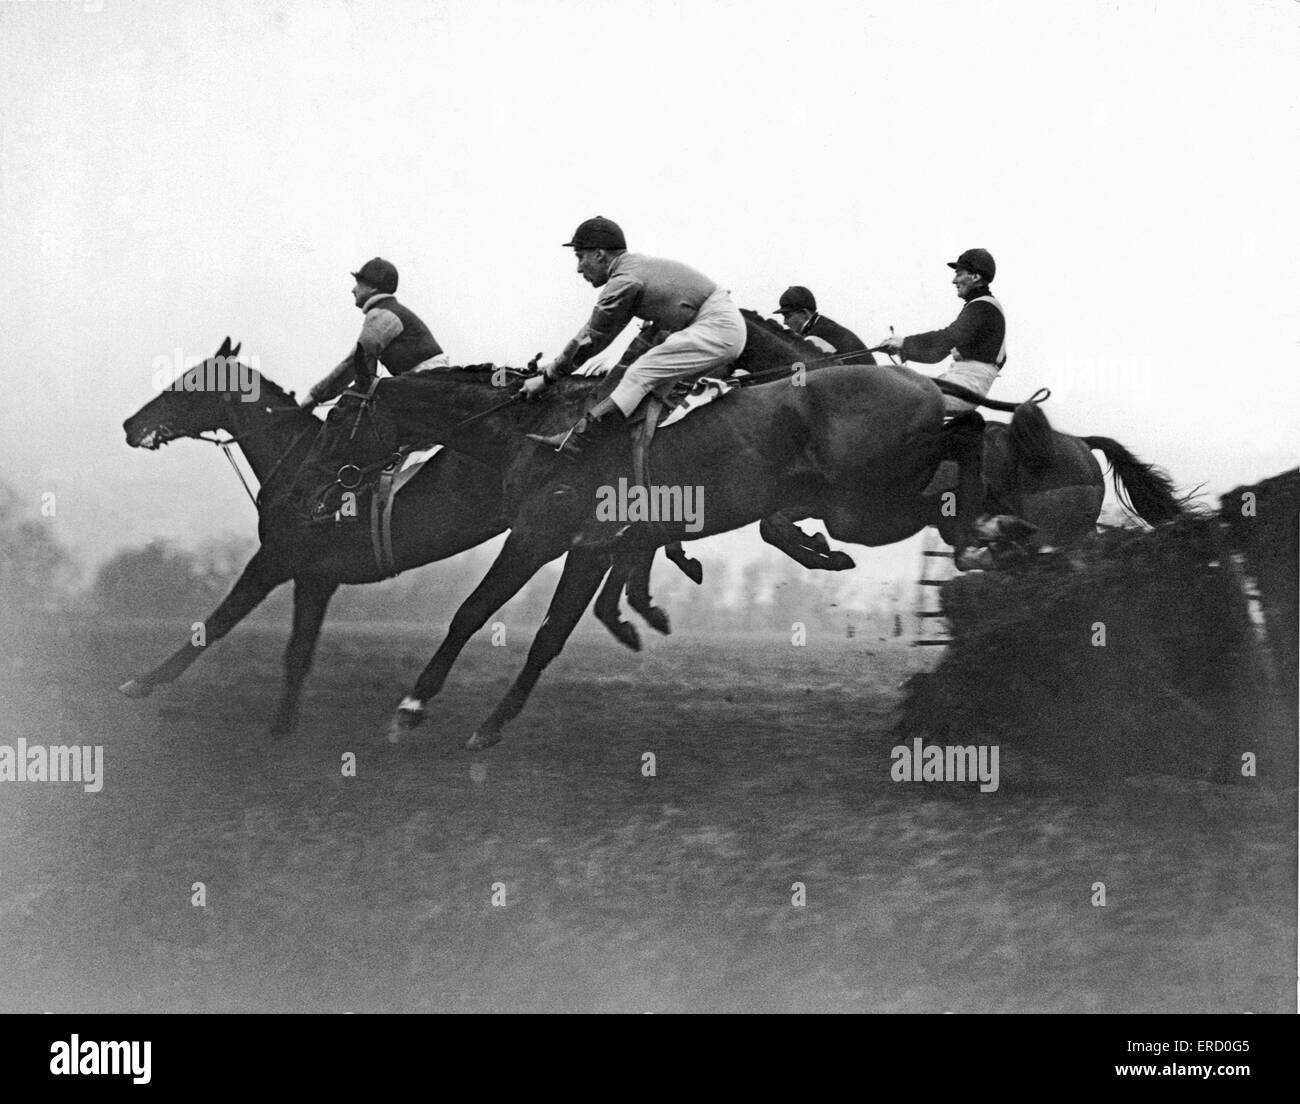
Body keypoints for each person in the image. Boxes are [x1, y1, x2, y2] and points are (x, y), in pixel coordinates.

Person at [522, 217, 747, 457]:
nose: (578, 268)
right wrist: (554, 367)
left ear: (599, 254)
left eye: (580, 257)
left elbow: (592, 338)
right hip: (717, 324)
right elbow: (596, 335)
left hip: (716, 326)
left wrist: (547, 377)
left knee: (641, 373)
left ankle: (578, 439)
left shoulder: (624, 280)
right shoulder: (632, 269)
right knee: (641, 372)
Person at [299, 257, 448, 411]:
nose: (353, 290)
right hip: (425, 381)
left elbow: (355, 363)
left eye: (358, 283)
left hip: (425, 383)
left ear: (373, 288)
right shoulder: (386, 310)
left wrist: (315, 396)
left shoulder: (382, 314)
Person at [875, 248, 1005, 414]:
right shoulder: (982, 306)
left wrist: (903, 343)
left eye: (959, 274)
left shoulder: (983, 306)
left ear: (975, 276)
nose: (953, 280)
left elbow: (946, 339)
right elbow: (938, 352)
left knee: (896, 401)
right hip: (961, 379)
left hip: (966, 383)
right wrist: (904, 348)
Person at [773, 285, 874, 362]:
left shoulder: (815, 336)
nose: (785, 322)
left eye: (787, 316)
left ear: (804, 313)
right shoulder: (824, 325)